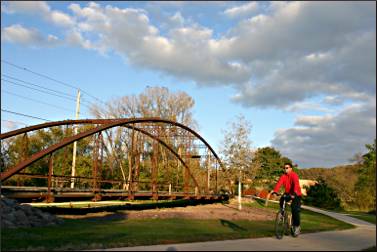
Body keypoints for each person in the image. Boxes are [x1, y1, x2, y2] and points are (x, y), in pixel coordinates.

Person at [270, 162, 302, 237]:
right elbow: (279, 184)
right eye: (284, 168)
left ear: (291, 168)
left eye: (287, 168)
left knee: (294, 210)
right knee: (282, 199)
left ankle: (297, 226)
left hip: (296, 194)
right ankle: (282, 213)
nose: (285, 169)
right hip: (287, 193)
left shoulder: (294, 175)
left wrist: (294, 194)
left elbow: (296, 184)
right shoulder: (283, 176)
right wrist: (275, 191)